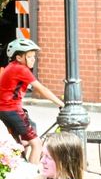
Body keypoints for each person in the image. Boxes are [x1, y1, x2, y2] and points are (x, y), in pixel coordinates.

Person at [0, 37, 64, 165]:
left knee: (31, 129)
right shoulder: (20, 69)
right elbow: (42, 89)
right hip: (11, 109)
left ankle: (19, 156)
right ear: (18, 58)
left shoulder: (12, 67)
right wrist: (62, 104)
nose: (33, 59)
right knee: (37, 143)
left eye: (34, 56)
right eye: (29, 56)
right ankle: (32, 175)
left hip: (7, 109)